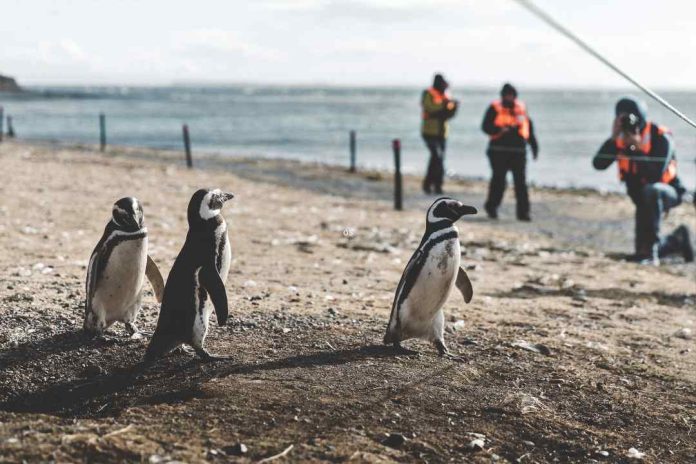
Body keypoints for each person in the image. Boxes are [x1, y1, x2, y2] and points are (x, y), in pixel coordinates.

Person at [593, 97, 694, 265]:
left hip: (667, 192)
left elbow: (655, 175)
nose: (628, 124)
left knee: (651, 191)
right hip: (641, 197)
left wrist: (635, 149)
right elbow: (598, 164)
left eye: (630, 118)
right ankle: (678, 239)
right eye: (622, 118)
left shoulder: (660, 136)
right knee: (640, 251)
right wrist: (613, 138)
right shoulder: (619, 140)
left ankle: (652, 254)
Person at [481, 83, 539, 221]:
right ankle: (492, 208)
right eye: (506, 95)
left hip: (518, 152)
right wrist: (500, 130)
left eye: (511, 95)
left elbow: (528, 129)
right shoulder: (495, 108)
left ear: (515, 96)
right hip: (498, 151)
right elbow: (485, 127)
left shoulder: (521, 108)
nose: (509, 97)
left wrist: (535, 147)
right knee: (499, 181)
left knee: (521, 184)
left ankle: (523, 213)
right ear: (502, 96)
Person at [421, 74, 458, 194]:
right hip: (429, 131)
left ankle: (435, 185)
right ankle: (431, 184)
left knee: (437, 159)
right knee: (437, 157)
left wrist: (453, 107)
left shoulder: (446, 95)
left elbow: (449, 113)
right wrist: (445, 106)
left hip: (442, 132)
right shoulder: (428, 93)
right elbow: (430, 108)